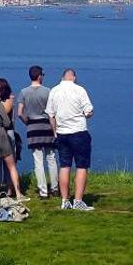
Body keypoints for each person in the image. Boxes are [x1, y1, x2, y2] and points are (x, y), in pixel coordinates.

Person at [46, 68, 95, 211]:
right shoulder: (80, 90)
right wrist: (86, 114)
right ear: (74, 77)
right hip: (79, 132)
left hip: (61, 133)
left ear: (62, 77)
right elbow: (89, 111)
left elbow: (51, 115)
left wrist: (55, 132)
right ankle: (78, 201)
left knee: (64, 166)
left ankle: (65, 200)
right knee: (81, 166)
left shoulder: (54, 91)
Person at [17, 65, 59, 199]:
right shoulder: (48, 91)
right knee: (51, 158)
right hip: (46, 126)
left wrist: (28, 122)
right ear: (40, 76)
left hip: (33, 127)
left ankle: (43, 191)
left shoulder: (23, 92)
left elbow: (19, 113)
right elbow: (53, 112)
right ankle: (55, 188)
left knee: (38, 161)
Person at [0, 77, 19, 192]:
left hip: (8, 132)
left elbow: (4, 112)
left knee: (9, 162)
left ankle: (9, 188)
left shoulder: (10, 99)